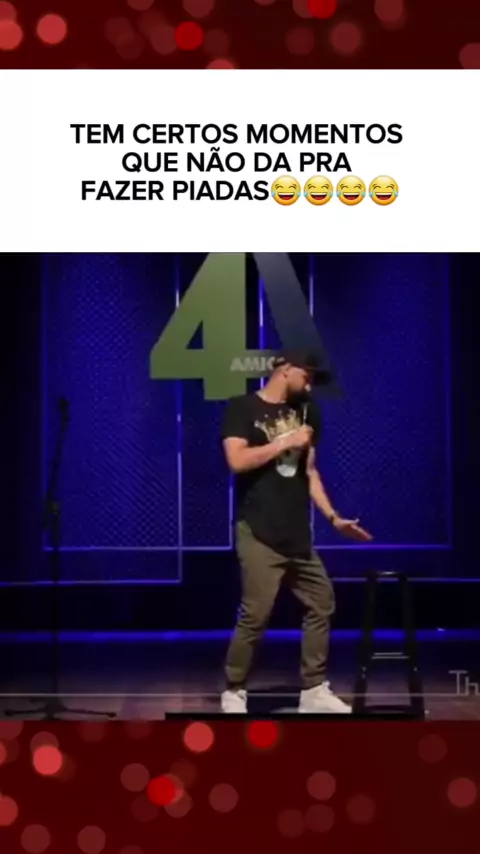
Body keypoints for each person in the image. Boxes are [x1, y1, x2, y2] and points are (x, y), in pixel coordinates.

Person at [220, 350, 372, 714]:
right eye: (307, 376)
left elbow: (310, 473)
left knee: (322, 600)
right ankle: (234, 689)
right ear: (286, 369)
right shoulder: (242, 408)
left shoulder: (307, 412)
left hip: (296, 533)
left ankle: (313, 689)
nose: (309, 385)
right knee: (256, 614)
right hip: (258, 529)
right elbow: (237, 461)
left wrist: (334, 518)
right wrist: (284, 442)